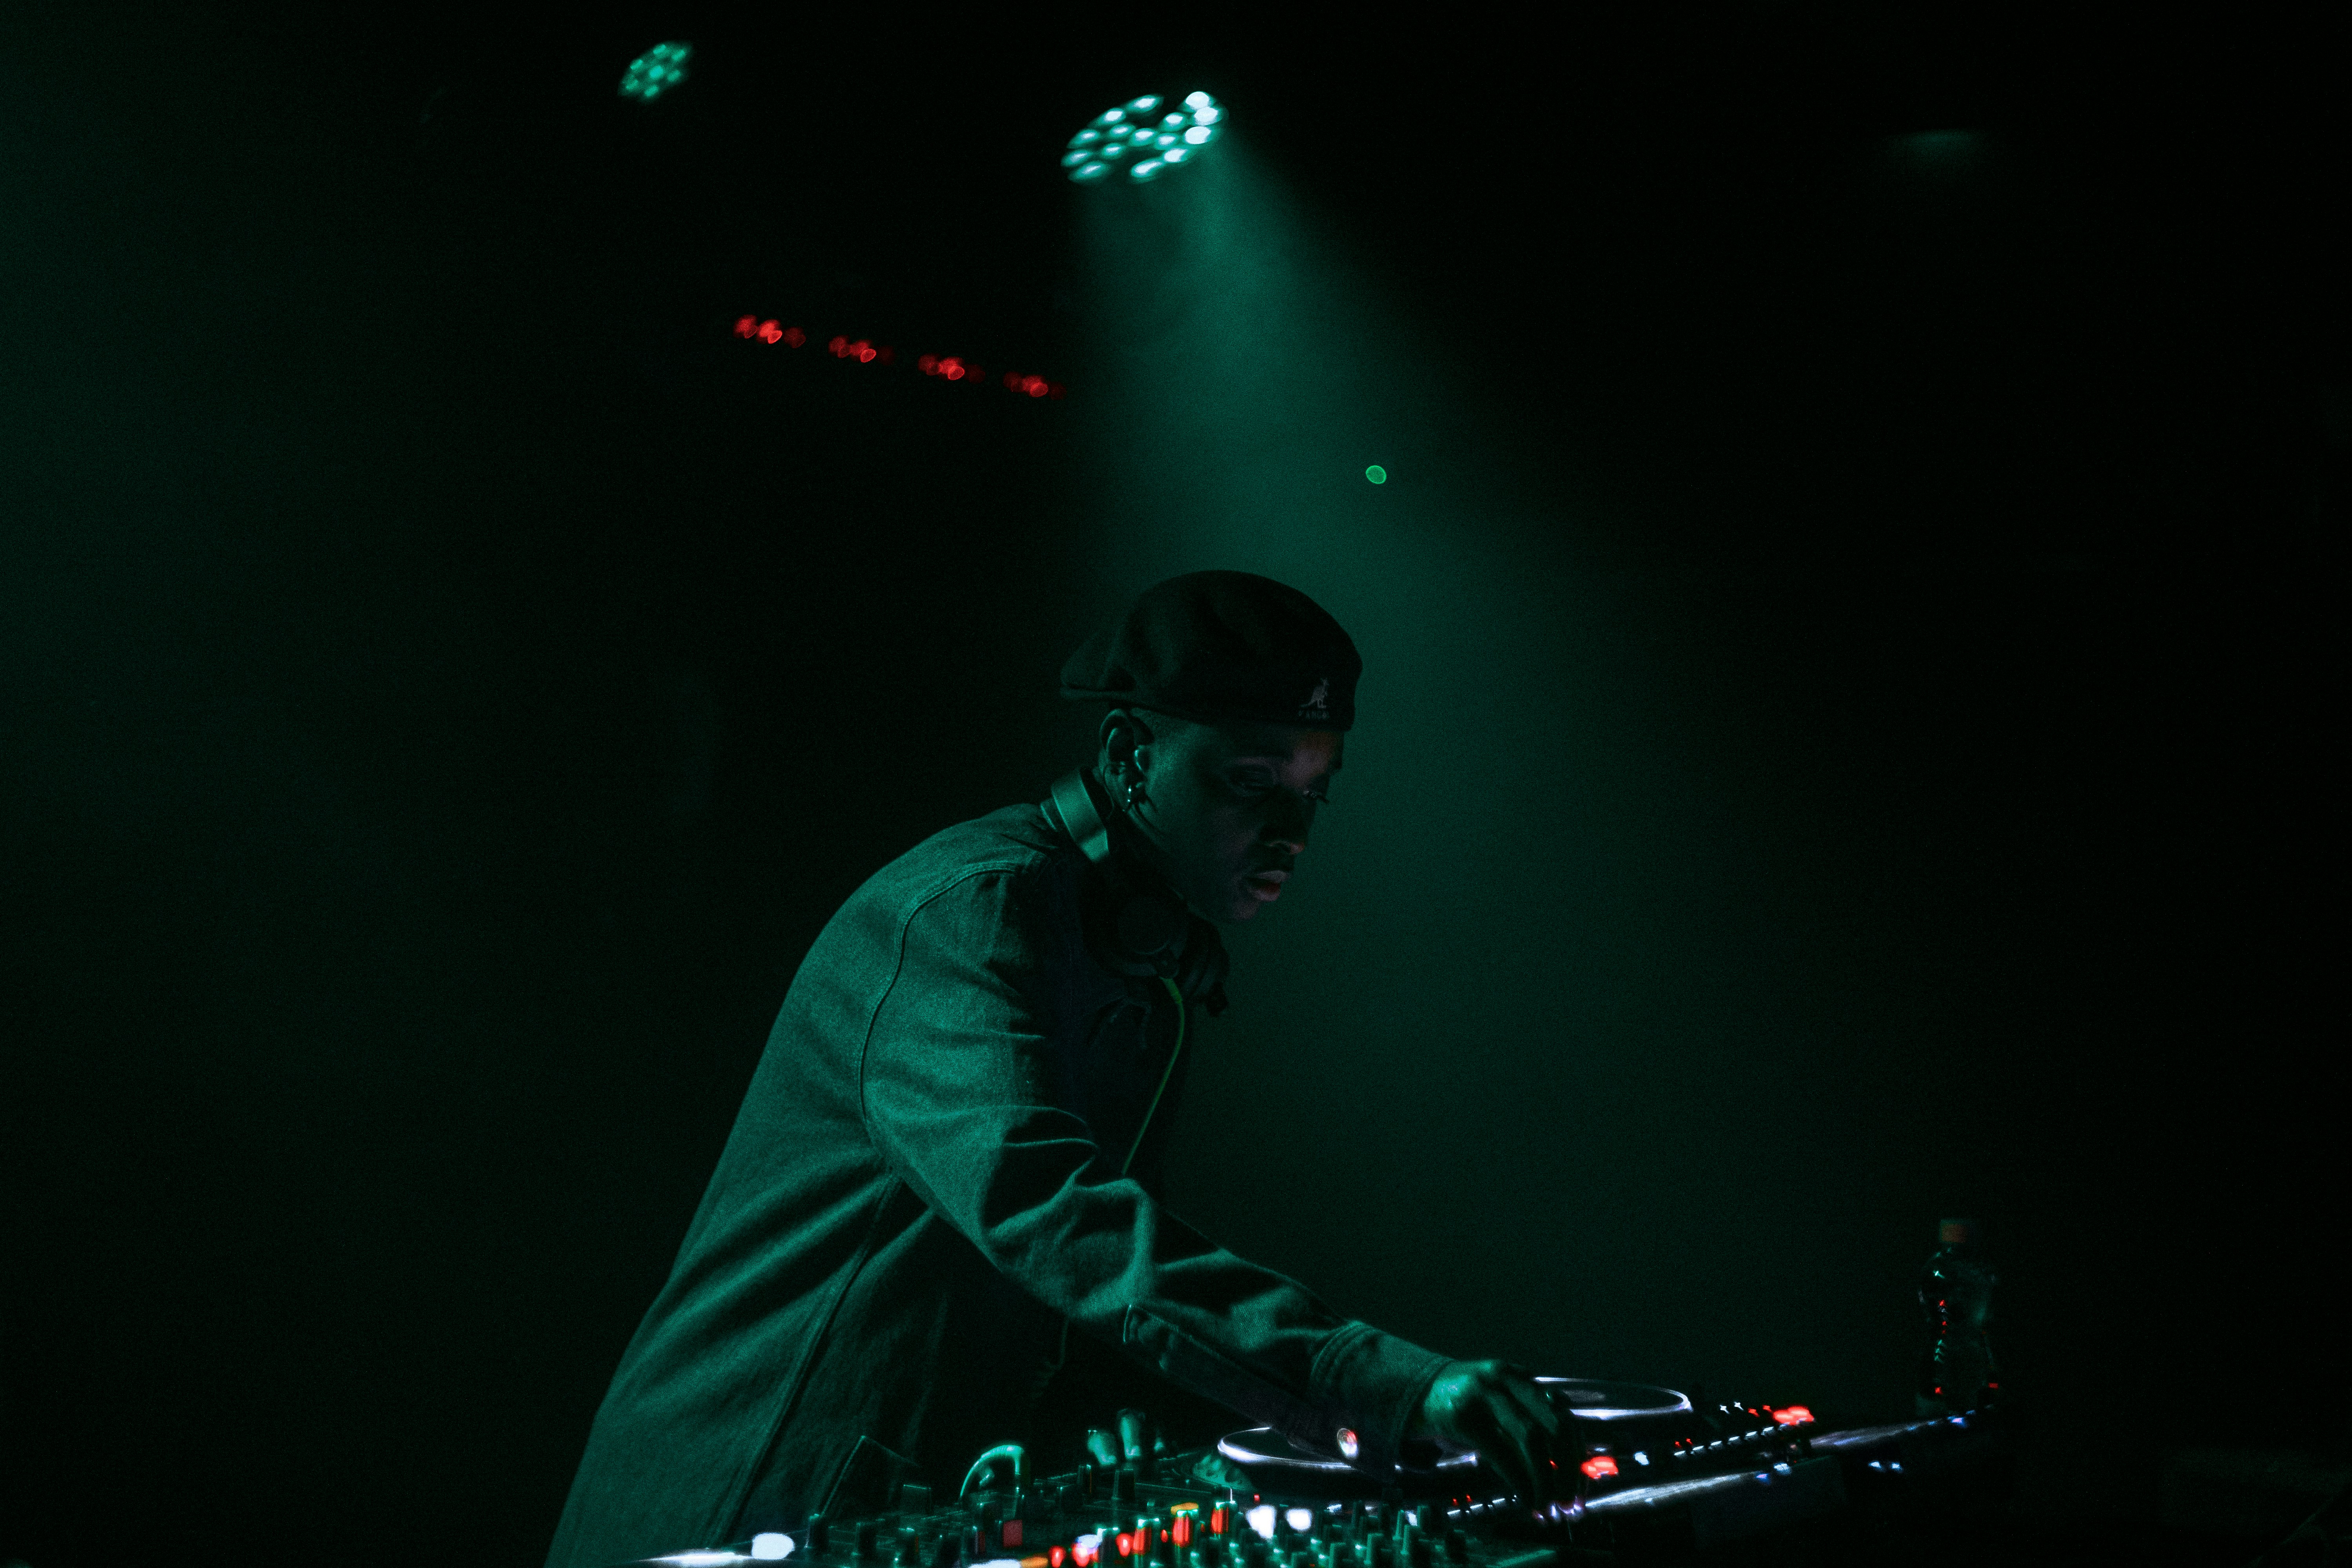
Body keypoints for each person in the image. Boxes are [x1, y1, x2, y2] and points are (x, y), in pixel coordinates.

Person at [545, 572, 1559, 1568]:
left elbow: (1076, 1306)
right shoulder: (968, 916)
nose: (1289, 832)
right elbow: (1049, 1208)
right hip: (744, 1495)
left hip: (891, 1503)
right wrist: (1368, 1377)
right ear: (1127, 754)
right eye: (1250, 783)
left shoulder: (1144, 960)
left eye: (1313, 794)